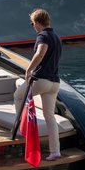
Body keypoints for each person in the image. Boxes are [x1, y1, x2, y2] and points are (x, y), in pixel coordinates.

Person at [14, 8, 62, 161]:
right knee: (49, 116)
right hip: (54, 82)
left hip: (41, 79)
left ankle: (23, 130)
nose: (33, 26)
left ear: (38, 23)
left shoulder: (43, 36)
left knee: (18, 95)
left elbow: (40, 52)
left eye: (32, 23)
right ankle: (55, 151)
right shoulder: (56, 37)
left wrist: (28, 70)